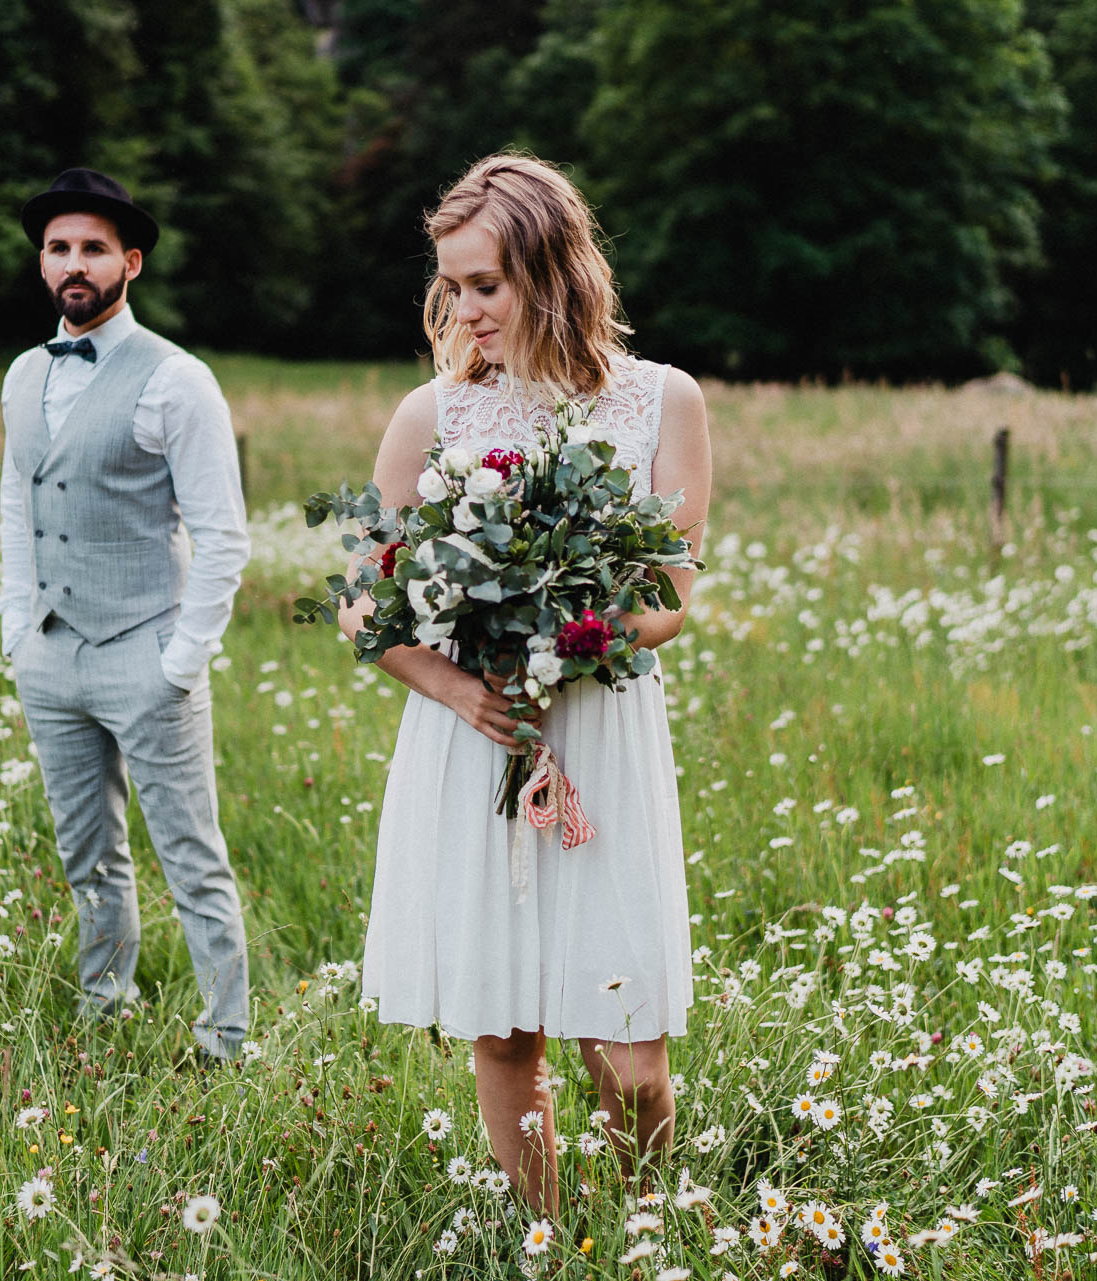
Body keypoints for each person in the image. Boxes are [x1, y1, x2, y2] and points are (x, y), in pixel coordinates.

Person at [345, 153, 711, 1213]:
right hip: (478, 735)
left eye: (486, 285)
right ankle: (545, 1236)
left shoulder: (662, 403)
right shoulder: (432, 417)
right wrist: (462, 689)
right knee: (507, 1026)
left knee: (632, 1061)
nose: (465, 310)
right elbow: (361, 603)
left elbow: (676, 594)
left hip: (600, 731)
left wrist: (568, 632)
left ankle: (645, 1226)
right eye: (452, 286)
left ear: (553, 273)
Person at [0, 168, 251, 1062]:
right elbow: (16, 507)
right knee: (87, 855)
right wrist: (16, 632)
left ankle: (227, 1037)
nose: (76, 263)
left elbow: (224, 535)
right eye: (60, 248)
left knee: (192, 858)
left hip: (146, 651)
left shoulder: (178, 380)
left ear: (129, 263)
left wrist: (180, 662)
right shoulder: (25, 374)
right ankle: (104, 1009)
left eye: (94, 248)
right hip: (52, 655)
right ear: (42, 264)